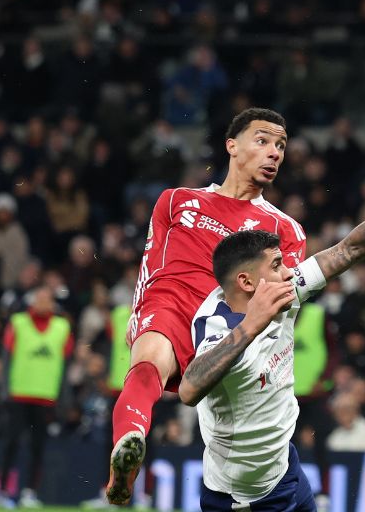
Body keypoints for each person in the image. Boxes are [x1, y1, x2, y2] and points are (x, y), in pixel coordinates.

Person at [172, 163, 365, 511]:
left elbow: (348, 250)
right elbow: (189, 389)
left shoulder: (285, 292)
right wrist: (252, 325)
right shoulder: (215, 324)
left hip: (284, 470)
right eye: (276, 265)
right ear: (247, 283)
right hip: (245, 497)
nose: (289, 270)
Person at [105, 107, 309, 504]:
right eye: (263, 140)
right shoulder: (177, 201)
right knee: (148, 362)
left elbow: (282, 302)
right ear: (231, 146)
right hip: (173, 305)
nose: (275, 153)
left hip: (224, 330)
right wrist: (140, 316)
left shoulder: (285, 229)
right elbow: (152, 265)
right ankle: (128, 443)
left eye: (281, 146)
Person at [0, 286, 73, 508]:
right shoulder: (18, 322)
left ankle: (29, 492)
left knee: (37, 447)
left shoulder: (62, 327)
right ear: (32, 302)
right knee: (11, 443)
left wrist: (63, 398)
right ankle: (3, 492)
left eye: (47, 299)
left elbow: (66, 366)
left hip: (45, 397)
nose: (43, 303)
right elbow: (6, 359)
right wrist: (4, 390)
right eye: (39, 299)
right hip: (19, 394)